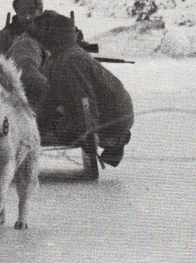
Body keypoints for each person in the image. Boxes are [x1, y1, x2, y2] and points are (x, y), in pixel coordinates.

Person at [33, 11, 134, 166]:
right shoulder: (60, 57)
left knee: (49, 133)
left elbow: (84, 99)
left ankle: (111, 139)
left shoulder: (70, 60)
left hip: (112, 121)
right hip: (113, 116)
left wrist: (88, 133)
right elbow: (51, 96)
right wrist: (37, 120)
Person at [0, 0, 47, 105]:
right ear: (17, 13)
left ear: (40, 12)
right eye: (23, 12)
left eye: (32, 12)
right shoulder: (3, 38)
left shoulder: (52, 34)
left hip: (48, 96)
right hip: (13, 99)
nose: (27, 17)